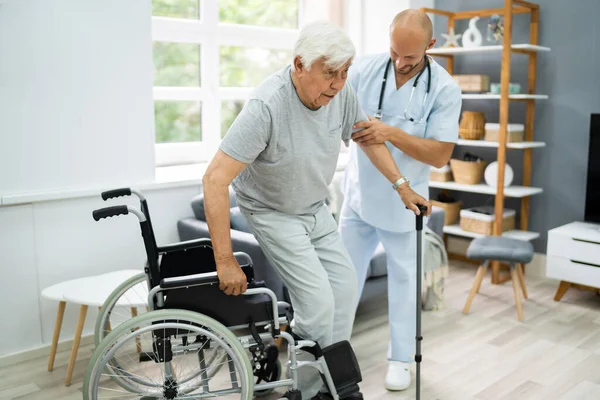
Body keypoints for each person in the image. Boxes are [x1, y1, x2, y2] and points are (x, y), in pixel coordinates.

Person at [202, 20, 430, 400]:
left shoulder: (339, 94)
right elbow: (214, 179)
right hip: (272, 212)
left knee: (344, 292)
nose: (339, 84)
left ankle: (323, 382)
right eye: (330, 74)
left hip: (315, 208)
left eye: (344, 73)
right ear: (299, 65)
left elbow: (367, 139)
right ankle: (309, 389)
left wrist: (402, 187)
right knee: (319, 305)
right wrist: (223, 259)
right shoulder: (266, 106)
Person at [338, 9, 462, 392]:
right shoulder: (365, 70)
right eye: (394, 52)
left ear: (430, 46)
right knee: (343, 280)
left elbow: (440, 154)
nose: (399, 62)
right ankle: (333, 349)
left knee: (405, 284)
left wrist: (390, 132)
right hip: (358, 196)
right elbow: (350, 123)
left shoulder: (444, 88)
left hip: (405, 205)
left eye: (409, 57)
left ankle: (400, 360)